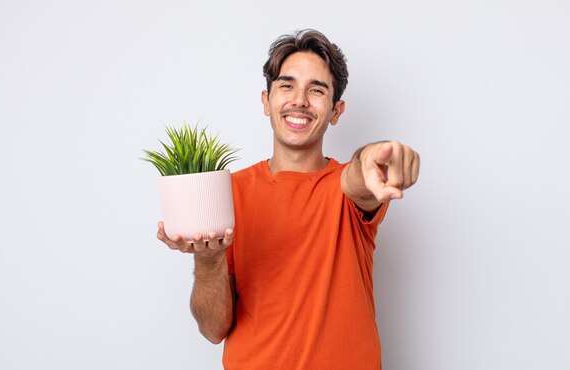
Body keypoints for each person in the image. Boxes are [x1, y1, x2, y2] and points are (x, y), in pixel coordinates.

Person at [157, 29, 420, 369]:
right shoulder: (227, 192)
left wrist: (374, 159)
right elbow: (213, 329)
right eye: (287, 85)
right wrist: (209, 261)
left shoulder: (345, 186)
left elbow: (360, 178)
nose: (299, 100)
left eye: (317, 90)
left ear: (336, 111)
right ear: (266, 102)